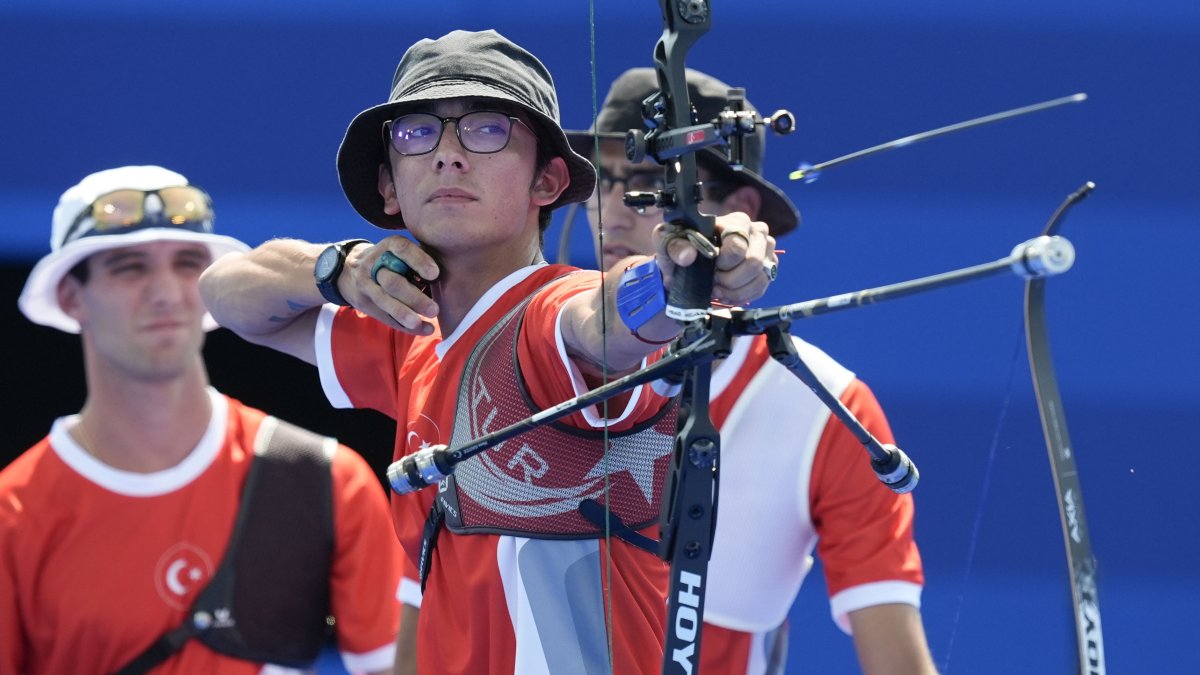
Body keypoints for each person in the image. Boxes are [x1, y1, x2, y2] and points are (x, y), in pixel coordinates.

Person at [198, 30, 776, 675]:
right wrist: (341, 267)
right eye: (418, 132)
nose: (448, 155)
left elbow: (606, 321)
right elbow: (226, 295)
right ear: (389, 186)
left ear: (548, 180)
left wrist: (681, 274)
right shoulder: (410, 326)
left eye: (486, 130)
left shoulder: (550, 314)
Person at [564, 69, 937, 675]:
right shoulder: (528, 343)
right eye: (602, 181)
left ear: (738, 213)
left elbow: (897, 658)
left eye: (651, 182)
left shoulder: (827, 407)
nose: (611, 210)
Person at [1, 165, 402, 675]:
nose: (166, 292)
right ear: (70, 298)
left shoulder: (326, 482)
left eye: (188, 264)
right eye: (129, 267)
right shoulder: (12, 518)